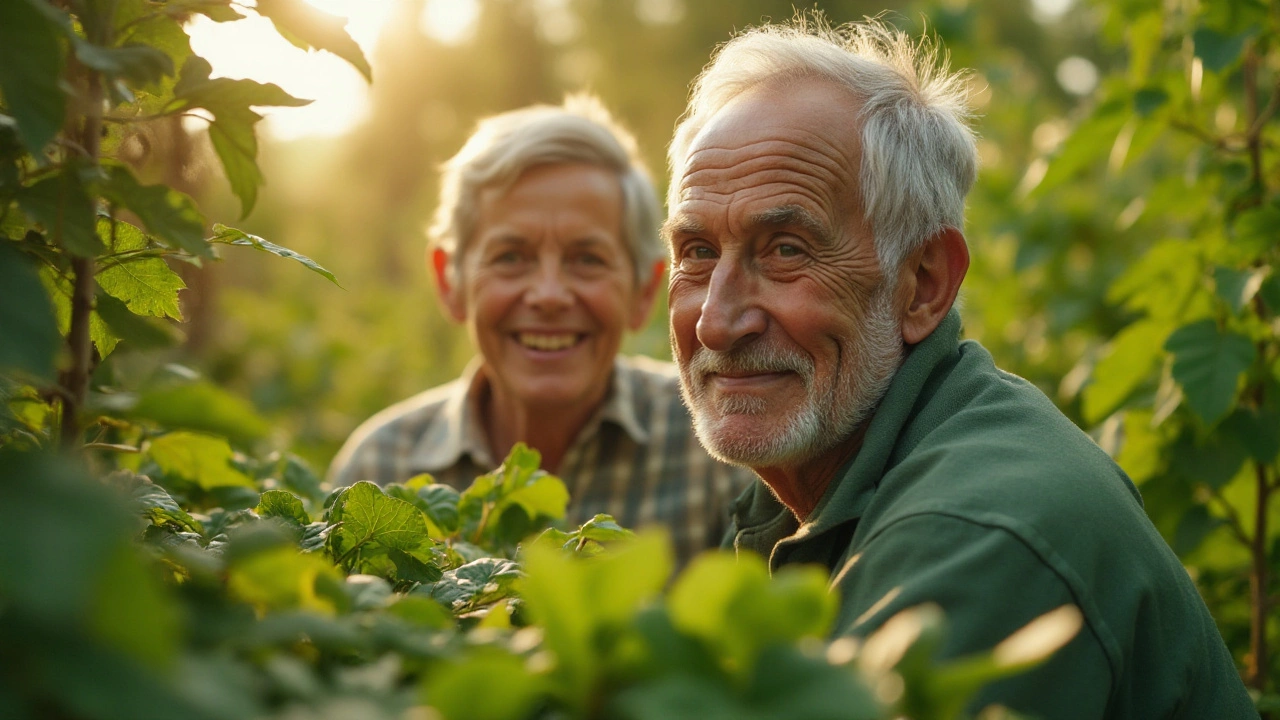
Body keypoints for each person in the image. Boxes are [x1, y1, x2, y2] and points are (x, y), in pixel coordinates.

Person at [663, 18, 1257, 719]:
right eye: (697, 251)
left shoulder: (974, 532)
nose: (715, 321)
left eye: (787, 249)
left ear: (923, 285)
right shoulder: (847, 462)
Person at [329, 95, 753, 565]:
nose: (549, 295)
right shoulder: (378, 472)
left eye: (587, 259)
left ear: (643, 291)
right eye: (511, 257)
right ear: (450, 280)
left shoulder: (718, 455)